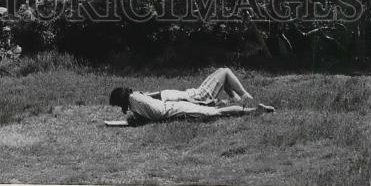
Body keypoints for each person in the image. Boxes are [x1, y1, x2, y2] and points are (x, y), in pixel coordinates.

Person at [109, 67, 276, 124]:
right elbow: (154, 107)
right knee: (216, 110)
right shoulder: (137, 97)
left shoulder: (136, 100)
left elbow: (157, 113)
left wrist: (138, 120)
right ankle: (250, 106)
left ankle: (252, 107)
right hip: (179, 105)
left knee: (215, 113)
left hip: (179, 108)